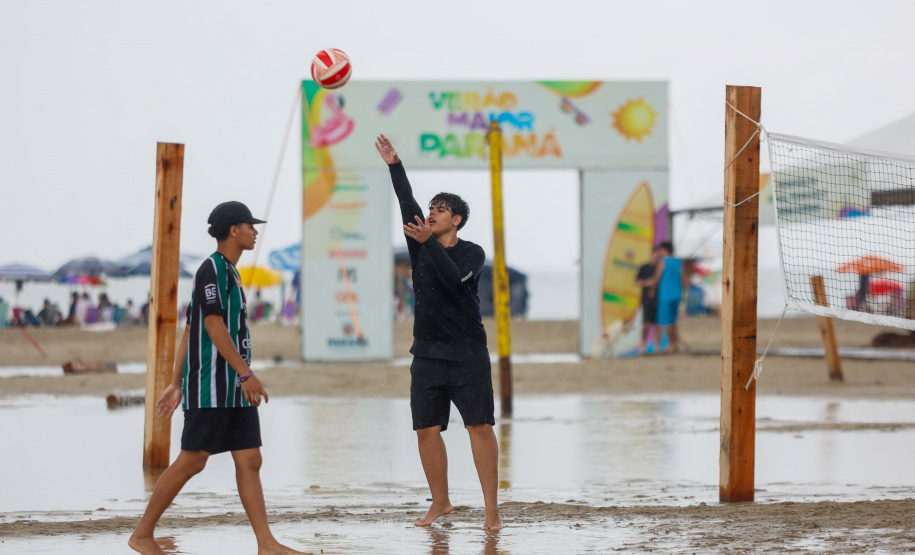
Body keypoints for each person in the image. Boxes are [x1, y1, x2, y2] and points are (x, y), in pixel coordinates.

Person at [129, 201, 306, 555]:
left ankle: (266, 544)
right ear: (233, 230)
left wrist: (175, 381)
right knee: (193, 459)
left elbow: (190, 328)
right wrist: (245, 373)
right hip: (214, 385)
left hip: (235, 388)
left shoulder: (231, 272)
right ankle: (142, 535)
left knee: (250, 459)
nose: (255, 231)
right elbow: (210, 324)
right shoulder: (212, 269)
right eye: (249, 226)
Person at [376, 134, 503, 531]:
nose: (431, 213)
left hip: (467, 354)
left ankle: (491, 511)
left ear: (457, 220)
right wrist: (395, 165)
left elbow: (452, 281)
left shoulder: (473, 253)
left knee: (478, 427)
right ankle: (441, 502)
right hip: (428, 354)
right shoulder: (420, 244)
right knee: (426, 429)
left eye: (440, 209)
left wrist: (428, 243)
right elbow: (406, 202)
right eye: (431, 208)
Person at [654, 242, 683, 353]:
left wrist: (652, 288)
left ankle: (669, 345)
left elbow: (657, 277)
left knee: (666, 321)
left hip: (665, 294)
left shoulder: (663, 261)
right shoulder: (678, 262)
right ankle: (674, 344)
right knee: (673, 321)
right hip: (677, 293)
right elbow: (683, 278)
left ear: (664, 250)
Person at [634, 246, 663, 354]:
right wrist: (648, 283)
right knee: (646, 324)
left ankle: (657, 346)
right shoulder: (644, 267)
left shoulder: (660, 268)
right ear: (651, 255)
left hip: (658, 299)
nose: (655, 258)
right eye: (654, 256)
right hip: (647, 299)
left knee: (657, 324)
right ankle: (643, 344)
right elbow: (636, 281)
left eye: (658, 256)